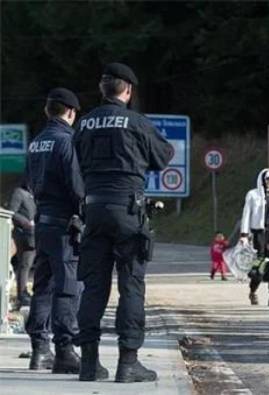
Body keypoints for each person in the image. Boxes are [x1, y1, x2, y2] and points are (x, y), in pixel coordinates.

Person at [72, 63, 172, 382]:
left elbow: (74, 164)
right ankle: (128, 363)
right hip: (128, 211)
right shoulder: (137, 123)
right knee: (131, 286)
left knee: (93, 287)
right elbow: (164, 156)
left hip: (93, 211)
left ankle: (89, 364)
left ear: (103, 90)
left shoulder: (84, 124)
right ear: (128, 90)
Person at [24, 87, 84, 374]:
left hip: (43, 220)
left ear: (47, 111)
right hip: (63, 223)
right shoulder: (67, 141)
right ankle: (65, 350)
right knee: (67, 286)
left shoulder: (36, 142)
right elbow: (76, 186)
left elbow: (30, 182)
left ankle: (39, 350)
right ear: (70, 112)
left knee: (42, 286)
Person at [240, 168, 269, 306]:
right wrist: (244, 234)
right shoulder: (253, 195)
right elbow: (246, 214)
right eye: (267, 178)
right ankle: (253, 290)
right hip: (259, 233)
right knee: (261, 262)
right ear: (262, 179)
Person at [8, 180, 36, 309]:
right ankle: (22, 294)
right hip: (24, 234)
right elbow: (12, 212)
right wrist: (26, 223)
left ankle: (26, 292)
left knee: (29, 265)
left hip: (35, 235)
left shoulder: (34, 195)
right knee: (24, 265)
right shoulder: (20, 193)